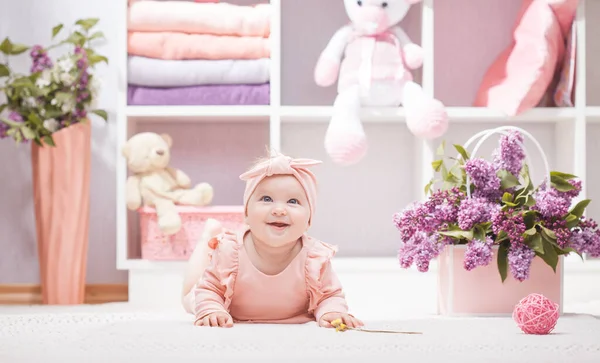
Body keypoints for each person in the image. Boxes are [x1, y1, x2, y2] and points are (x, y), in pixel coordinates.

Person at [181, 151, 363, 328]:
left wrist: (331, 311)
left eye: (293, 201)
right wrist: (212, 310)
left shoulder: (314, 258)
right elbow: (209, 290)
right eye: (266, 199)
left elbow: (329, 296)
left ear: (309, 219)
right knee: (191, 297)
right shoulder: (230, 251)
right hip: (221, 299)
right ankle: (208, 237)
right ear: (246, 213)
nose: (279, 210)